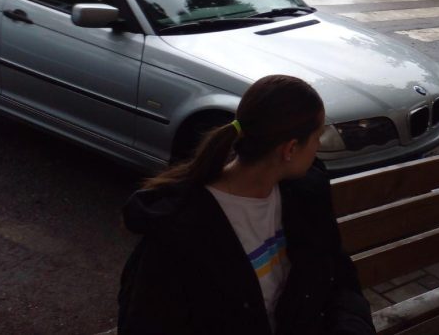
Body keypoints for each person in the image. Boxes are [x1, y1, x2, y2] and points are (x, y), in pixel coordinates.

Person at [117, 74, 375, 335]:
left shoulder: (305, 193)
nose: (317, 146)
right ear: (290, 149)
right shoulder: (179, 230)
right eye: (317, 137)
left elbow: (337, 275)